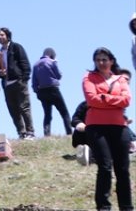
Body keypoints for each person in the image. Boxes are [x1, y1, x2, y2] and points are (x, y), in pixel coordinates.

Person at [82, 47, 131, 211]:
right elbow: (91, 100)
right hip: (96, 127)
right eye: (98, 60)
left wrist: (103, 98)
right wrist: (114, 100)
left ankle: (126, 206)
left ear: (111, 61)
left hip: (119, 127)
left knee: (123, 169)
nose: (101, 63)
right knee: (105, 166)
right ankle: (104, 207)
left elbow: (127, 101)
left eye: (104, 59)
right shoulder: (89, 77)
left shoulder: (121, 79)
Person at [0, 27, 35, 139]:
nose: (0, 37)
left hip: (19, 81)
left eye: (2, 35)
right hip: (7, 84)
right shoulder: (0, 53)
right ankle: (22, 133)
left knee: (24, 107)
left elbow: (25, 63)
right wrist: (0, 73)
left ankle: (30, 132)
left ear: (7, 35)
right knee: (13, 110)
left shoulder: (16, 47)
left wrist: (24, 78)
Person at [31, 48, 71, 137]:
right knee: (64, 112)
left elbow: (34, 83)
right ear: (52, 55)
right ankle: (69, 133)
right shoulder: (52, 62)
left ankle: (47, 135)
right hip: (53, 89)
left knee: (47, 115)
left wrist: (37, 92)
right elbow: (59, 76)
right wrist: (55, 62)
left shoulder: (35, 65)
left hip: (42, 91)